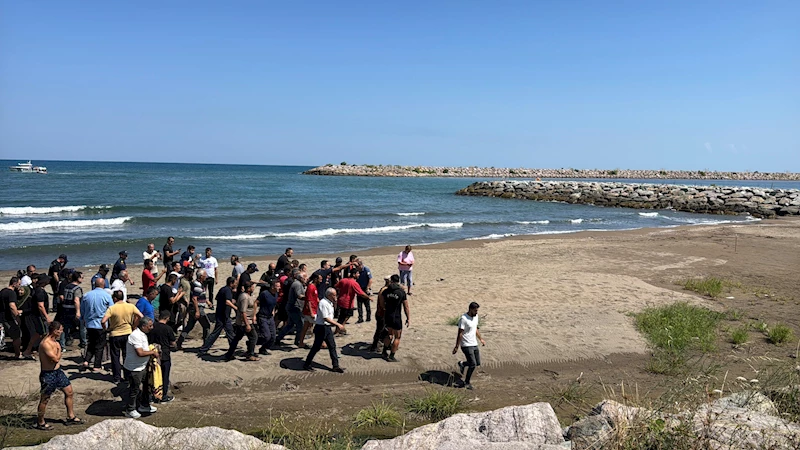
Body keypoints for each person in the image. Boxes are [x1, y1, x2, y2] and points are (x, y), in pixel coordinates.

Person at [36, 321, 83, 430]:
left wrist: (58, 348)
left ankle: (71, 416)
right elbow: (55, 359)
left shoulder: (55, 342)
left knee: (69, 392)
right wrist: (59, 349)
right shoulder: (46, 343)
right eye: (60, 330)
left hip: (58, 372)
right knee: (45, 399)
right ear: (55, 331)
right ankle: (40, 422)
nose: (62, 332)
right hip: (48, 374)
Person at [103, 290, 143, 383]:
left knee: (115, 357)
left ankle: (117, 377)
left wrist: (106, 329)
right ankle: (127, 376)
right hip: (127, 332)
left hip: (115, 334)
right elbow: (140, 316)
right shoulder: (130, 306)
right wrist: (134, 325)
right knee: (127, 355)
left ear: (115, 298)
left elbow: (103, 321)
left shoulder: (112, 308)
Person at [123, 316, 159, 418]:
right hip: (134, 368)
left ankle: (144, 405)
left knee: (147, 386)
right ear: (143, 326)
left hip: (143, 366)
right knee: (134, 389)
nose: (151, 328)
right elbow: (140, 352)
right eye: (150, 326)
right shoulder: (135, 335)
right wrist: (152, 352)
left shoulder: (143, 335)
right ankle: (130, 409)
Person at [303, 288, 345, 373]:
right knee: (316, 347)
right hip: (321, 328)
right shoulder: (323, 303)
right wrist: (337, 324)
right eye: (334, 295)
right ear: (329, 295)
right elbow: (325, 318)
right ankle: (307, 364)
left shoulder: (330, 303)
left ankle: (335, 366)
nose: (335, 297)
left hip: (327, 328)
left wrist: (335, 303)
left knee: (332, 346)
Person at [80, 278, 114, 371]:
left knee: (91, 343)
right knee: (100, 345)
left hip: (89, 323)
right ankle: (97, 365)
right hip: (101, 324)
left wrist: (82, 319)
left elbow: (82, 309)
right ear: (103, 285)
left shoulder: (87, 295)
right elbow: (112, 309)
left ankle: (86, 360)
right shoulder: (106, 296)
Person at [198, 277, 237, 356]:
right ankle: (203, 349)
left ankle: (232, 350)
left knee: (227, 333)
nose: (236, 284)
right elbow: (227, 302)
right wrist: (236, 308)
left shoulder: (223, 289)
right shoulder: (227, 290)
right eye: (235, 283)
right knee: (224, 333)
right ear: (231, 283)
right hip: (223, 316)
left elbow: (217, 298)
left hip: (221, 314)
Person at [453, 302, 486, 390]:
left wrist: (481, 339)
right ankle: (467, 382)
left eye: (477, 310)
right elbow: (460, 333)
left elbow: (475, 329)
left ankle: (462, 364)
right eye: (475, 310)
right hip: (466, 344)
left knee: (477, 363)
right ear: (470, 309)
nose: (476, 312)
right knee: (473, 364)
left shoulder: (476, 317)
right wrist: (456, 346)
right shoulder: (463, 319)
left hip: (474, 343)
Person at [224, 281, 259, 361]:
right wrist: (247, 324)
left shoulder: (247, 296)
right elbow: (243, 312)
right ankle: (250, 354)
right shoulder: (244, 297)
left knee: (237, 338)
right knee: (253, 337)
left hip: (244, 321)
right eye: (252, 287)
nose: (253, 288)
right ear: (249, 288)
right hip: (244, 322)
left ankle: (229, 354)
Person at [177, 269, 211, 349]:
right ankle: (206, 344)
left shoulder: (198, 284)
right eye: (205, 275)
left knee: (189, 326)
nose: (206, 276)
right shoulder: (197, 285)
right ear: (201, 276)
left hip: (193, 308)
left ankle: (179, 342)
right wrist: (197, 311)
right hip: (197, 308)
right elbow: (194, 298)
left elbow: (200, 295)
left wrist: (207, 302)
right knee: (206, 325)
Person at [382, 274, 410, 362]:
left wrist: (385, 309)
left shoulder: (386, 291)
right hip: (396, 316)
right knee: (397, 337)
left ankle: (384, 351)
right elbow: (406, 306)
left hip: (388, 315)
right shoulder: (401, 292)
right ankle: (391, 356)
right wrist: (408, 318)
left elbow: (382, 302)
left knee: (389, 334)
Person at [149, 311, 176, 403]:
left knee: (153, 376)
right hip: (164, 354)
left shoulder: (152, 327)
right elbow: (173, 342)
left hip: (153, 353)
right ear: (167, 318)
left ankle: (152, 395)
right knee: (164, 376)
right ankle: (163, 396)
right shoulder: (168, 328)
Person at [23, 274, 51, 359]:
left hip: (37, 315)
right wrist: (47, 317)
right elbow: (40, 306)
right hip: (39, 316)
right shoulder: (39, 292)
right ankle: (43, 350)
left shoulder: (38, 290)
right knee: (44, 333)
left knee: (37, 334)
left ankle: (29, 350)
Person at [55, 271, 82, 350]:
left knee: (64, 327)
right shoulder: (77, 288)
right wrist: (78, 311)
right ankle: (83, 343)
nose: (82, 279)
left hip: (65, 308)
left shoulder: (67, 286)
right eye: (81, 277)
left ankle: (62, 345)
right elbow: (76, 300)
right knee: (81, 325)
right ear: (78, 278)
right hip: (72, 310)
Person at [369, 276, 392, 352]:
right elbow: (382, 304)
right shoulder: (384, 290)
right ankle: (375, 346)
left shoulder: (384, 289)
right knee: (380, 330)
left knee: (384, 329)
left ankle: (384, 344)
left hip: (381, 313)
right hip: (381, 313)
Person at [256, 278, 279, 355]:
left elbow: (274, 304)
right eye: (277, 286)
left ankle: (263, 349)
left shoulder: (276, 294)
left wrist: (273, 311)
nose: (279, 288)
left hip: (270, 317)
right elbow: (256, 303)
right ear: (272, 287)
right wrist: (254, 315)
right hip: (263, 317)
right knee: (266, 336)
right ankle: (253, 342)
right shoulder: (264, 294)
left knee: (273, 337)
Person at [298, 272, 321, 349]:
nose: (321, 280)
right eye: (319, 279)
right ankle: (321, 342)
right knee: (320, 326)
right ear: (315, 279)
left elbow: (315, 298)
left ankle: (301, 342)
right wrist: (311, 312)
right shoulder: (311, 287)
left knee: (305, 327)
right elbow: (309, 300)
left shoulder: (314, 287)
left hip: (311, 310)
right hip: (310, 311)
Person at [1, 277, 22, 358]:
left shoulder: (2, 291)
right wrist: (17, 316)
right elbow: (12, 306)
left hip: (2, 316)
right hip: (8, 317)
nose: (19, 286)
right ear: (14, 284)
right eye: (19, 284)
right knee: (16, 335)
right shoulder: (11, 293)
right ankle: (17, 354)